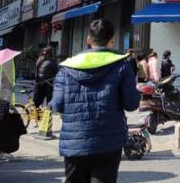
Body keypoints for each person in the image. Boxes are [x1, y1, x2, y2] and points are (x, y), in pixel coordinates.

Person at [51, 19, 139, 183]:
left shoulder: (66, 68)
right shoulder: (122, 67)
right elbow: (132, 104)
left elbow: (57, 104)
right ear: (111, 40)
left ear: (88, 40)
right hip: (108, 143)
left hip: (74, 144)